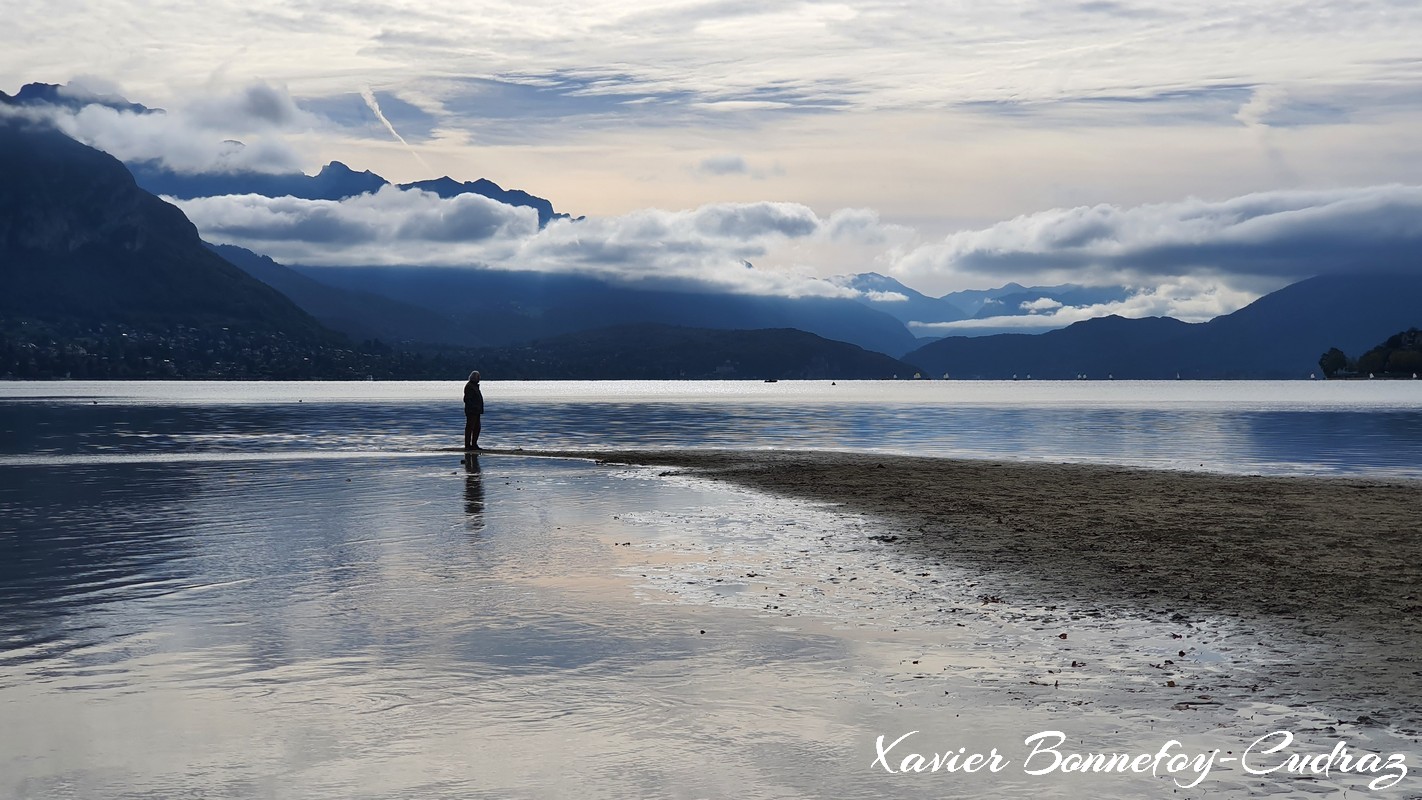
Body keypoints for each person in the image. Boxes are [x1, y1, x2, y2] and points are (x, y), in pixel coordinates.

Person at [463, 370, 484, 450]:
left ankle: (474, 444)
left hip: (477, 411)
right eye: (478, 377)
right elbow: (467, 399)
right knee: (470, 428)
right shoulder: (469, 386)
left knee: (477, 428)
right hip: (472, 411)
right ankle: (468, 445)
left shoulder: (475, 386)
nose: (479, 379)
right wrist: (473, 407)